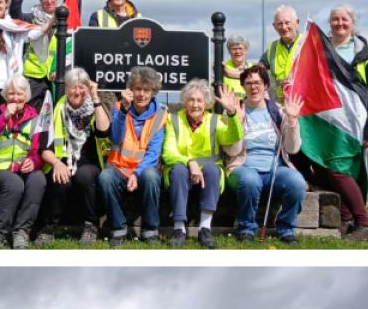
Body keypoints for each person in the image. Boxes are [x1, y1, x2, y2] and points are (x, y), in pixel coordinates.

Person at [291, 4, 368, 242]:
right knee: (320, 165)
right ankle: (346, 218)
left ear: (352, 23)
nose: (339, 23)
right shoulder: (320, 49)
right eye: (334, 19)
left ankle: (364, 225)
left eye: (344, 19)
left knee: (340, 170)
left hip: (352, 125)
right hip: (323, 122)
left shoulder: (365, 55)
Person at [224, 64, 307, 243]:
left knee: (297, 182)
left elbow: (292, 149)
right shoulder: (233, 111)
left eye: (258, 83)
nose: (253, 87)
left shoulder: (278, 111)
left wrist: (292, 121)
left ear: (266, 86)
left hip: (275, 169)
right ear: (243, 86)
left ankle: (286, 228)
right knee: (249, 180)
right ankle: (246, 227)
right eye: (248, 83)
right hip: (242, 168)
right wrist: (235, 122)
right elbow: (232, 151)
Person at [161, 79, 242, 248]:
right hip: (181, 170)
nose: (195, 104)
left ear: (206, 103)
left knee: (213, 171)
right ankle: (179, 230)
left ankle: (205, 229)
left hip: (209, 172)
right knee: (177, 171)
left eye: (199, 100)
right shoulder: (173, 119)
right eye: (191, 99)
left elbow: (233, 137)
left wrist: (233, 114)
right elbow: (168, 153)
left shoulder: (215, 119)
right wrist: (189, 162)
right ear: (184, 101)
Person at [34, 67, 111, 245]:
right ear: (66, 88)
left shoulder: (94, 107)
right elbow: (44, 147)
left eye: (81, 87)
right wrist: (56, 163)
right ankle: (48, 228)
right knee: (60, 178)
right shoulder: (56, 108)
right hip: (62, 160)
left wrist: (96, 98)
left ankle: (90, 225)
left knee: (84, 175)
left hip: (88, 162)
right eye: (72, 87)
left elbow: (104, 131)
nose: (77, 91)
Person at [0, 74, 48, 249]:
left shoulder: (36, 118)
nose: (16, 98)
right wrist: (4, 117)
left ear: (27, 96)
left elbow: (39, 150)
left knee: (38, 180)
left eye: (20, 93)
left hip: (24, 170)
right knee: (14, 183)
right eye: (11, 93)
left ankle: (21, 232)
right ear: (5, 96)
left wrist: (35, 161)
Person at [100, 66, 167, 247]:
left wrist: (136, 174)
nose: (142, 94)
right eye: (138, 89)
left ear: (153, 92)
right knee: (105, 177)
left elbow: (153, 153)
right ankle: (118, 228)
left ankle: (150, 230)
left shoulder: (160, 114)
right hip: (119, 167)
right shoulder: (119, 107)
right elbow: (115, 137)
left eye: (147, 90)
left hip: (144, 169)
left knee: (152, 177)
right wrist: (123, 111)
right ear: (131, 89)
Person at [9, 0, 60, 106]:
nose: (49, 1)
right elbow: (15, 15)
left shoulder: (64, 21)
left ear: (57, 0)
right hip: (33, 77)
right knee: (32, 113)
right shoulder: (31, 18)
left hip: (54, 77)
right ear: (40, 0)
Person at [259, 5, 301, 102]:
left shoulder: (308, 42)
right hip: (280, 106)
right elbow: (258, 71)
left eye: (287, 23)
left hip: (304, 106)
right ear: (274, 27)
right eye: (279, 24)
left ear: (297, 23)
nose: (284, 27)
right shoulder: (272, 48)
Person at [221, 35, 253, 99]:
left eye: (240, 48)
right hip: (227, 106)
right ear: (229, 51)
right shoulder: (222, 67)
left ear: (246, 50)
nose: (237, 52)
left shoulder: (253, 68)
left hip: (248, 106)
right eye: (234, 49)